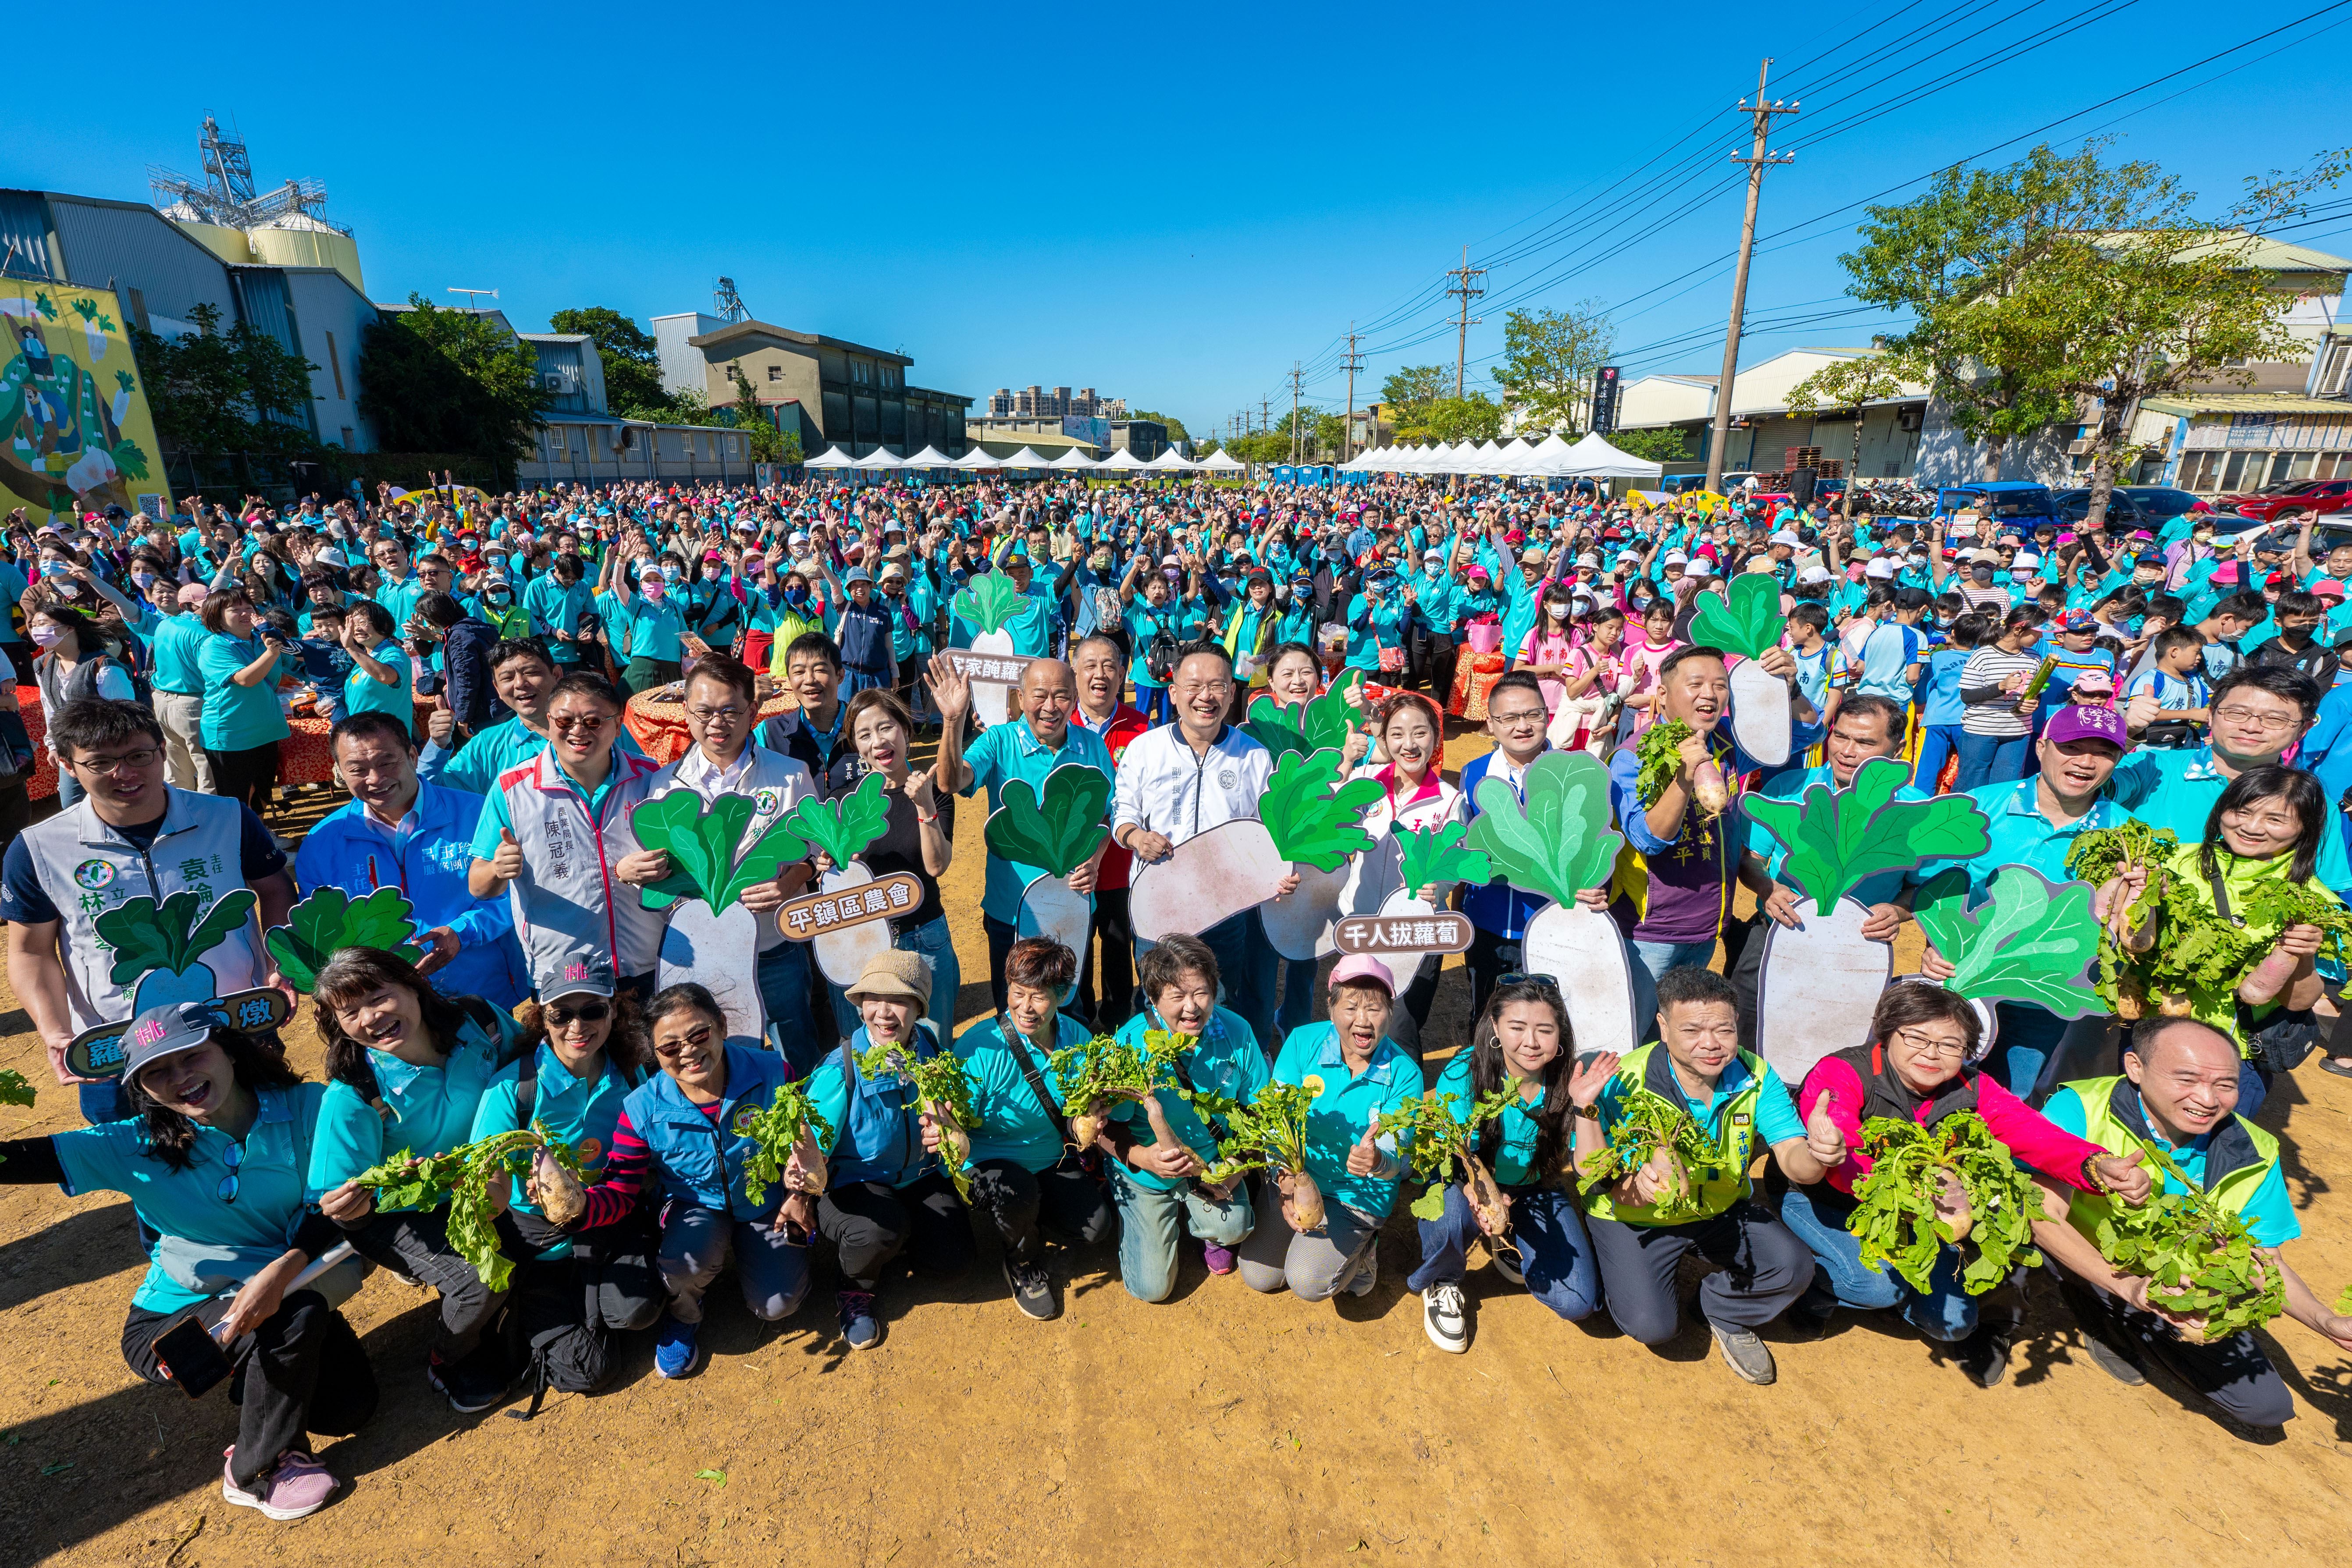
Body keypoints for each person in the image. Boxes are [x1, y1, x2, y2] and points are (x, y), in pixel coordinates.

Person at [0, 1000, 374, 1521]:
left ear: (228, 1049)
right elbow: (17, 1160)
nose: (180, 1077)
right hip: (176, 1320)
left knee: (350, 1408)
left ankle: (257, 1377)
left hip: (287, 1287)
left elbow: (333, 1208)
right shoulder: (136, 1144)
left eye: (192, 1055)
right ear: (142, 1088)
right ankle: (256, 1470)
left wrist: (282, 1270)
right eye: (156, 1071)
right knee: (298, 1313)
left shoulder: (312, 1107)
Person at [1786, 982, 2150, 1387]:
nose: (1931, 1053)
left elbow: (2035, 1135)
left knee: (1954, 1325)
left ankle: (1891, 1286)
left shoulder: (1971, 1088)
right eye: (1916, 1037)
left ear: (1967, 1051)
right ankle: (1817, 1287)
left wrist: (2097, 1165)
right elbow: (1845, 1159)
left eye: (1950, 1044)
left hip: (1918, 1219)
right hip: (1824, 1201)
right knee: (1869, 1285)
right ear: (1886, 1032)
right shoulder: (1843, 1071)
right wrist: (1913, 1184)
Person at [2045, 1016, 2352, 1430]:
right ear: (2135, 1067)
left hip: (2167, 1282)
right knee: (2003, 1225)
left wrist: (2324, 1320)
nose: (2207, 1099)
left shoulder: (2256, 1150)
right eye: (2186, 1078)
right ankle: (2086, 1302)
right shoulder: (2080, 1106)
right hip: (2070, 1251)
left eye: (2225, 1084)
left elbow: (2259, 1257)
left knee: (2266, 1408)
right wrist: (2123, 1286)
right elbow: (2042, 1214)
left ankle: (2119, 1317)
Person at [4, 699, 295, 1127]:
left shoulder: (227, 817)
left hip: (232, 1021)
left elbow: (274, 890)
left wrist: (281, 962)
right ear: (67, 764)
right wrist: (54, 1030)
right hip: (117, 1045)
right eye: (100, 762)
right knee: (152, 1167)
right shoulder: (39, 849)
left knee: (262, 1144)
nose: (124, 773)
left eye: (139, 755)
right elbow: (31, 951)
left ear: (162, 749)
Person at [1571, 966, 1832, 1385]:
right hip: (1634, 1217)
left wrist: (1819, 1155)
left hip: (1718, 1208)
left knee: (1792, 1267)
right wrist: (1637, 1187)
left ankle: (1722, 1308)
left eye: (1723, 1030)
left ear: (1737, 1026)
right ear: (1662, 1026)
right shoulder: (1621, 1080)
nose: (1710, 1044)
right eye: (1691, 1029)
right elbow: (1594, 1176)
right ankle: (1619, 1268)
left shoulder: (1757, 1076)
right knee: (1652, 1326)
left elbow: (1792, 1156)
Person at [308, 948, 529, 1412]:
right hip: (401, 1211)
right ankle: (448, 1358)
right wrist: (351, 1205)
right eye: (350, 1012)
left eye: (380, 997)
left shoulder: (477, 1020)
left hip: (490, 1183)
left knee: (546, 1249)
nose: (371, 1018)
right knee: (481, 1282)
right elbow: (334, 1196)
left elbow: (524, 1065)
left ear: (413, 984)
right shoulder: (354, 1093)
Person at [556, 982, 812, 1379]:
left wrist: (799, 1193)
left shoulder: (774, 1072)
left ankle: (759, 1257)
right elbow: (621, 1189)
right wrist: (578, 1208)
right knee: (684, 1262)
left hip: (765, 1202)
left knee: (778, 1305)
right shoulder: (641, 1108)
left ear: (722, 1026)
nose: (688, 1052)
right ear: (655, 1055)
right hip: (695, 1209)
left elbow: (805, 1143)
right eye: (670, 1047)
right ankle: (684, 1313)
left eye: (699, 1035)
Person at [1914, 703, 2134, 1097]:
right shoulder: (1979, 806)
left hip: (2044, 1000)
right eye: (2072, 746)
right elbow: (1937, 885)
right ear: (2041, 747)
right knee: (1930, 1084)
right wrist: (1934, 945)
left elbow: (2126, 925)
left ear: (2118, 760)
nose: (2086, 762)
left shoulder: (2127, 835)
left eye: (2103, 753)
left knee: (2006, 1098)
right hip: (1963, 982)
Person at [2100, 764, 2339, 1120]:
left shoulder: (2317, 902)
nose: (2252, 827)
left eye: (2275, 819)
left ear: (2305, 826)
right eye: (2241, 811)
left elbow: (2301, 1001)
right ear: (2222, 809)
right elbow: (2124, 935)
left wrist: (2299, 955)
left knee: (2205, 1155)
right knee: (2127, 1134)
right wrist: (2134, 894)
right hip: (2150, 1035)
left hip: (2232, 1057)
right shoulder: (2174, 861)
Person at [464, 965, 658, 1401]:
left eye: (592, 1010)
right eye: (561, 1015)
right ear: (541, 1018)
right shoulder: (514, 1090)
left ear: (614, 1012)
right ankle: (536, 1313)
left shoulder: (629, 1075)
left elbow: (645, 1157)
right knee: (590, 1372)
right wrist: (488, 1201)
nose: (577, 1026)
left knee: (638, 1312)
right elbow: (490, 1177)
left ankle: (595, 1304)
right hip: (542, 1244)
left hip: (608, 1219)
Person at [1605, 643, 1820, 1031]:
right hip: (1650, 932)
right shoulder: (1632, 756)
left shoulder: (1729, 743)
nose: (1709, 694)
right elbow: (1648, 839)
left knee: (1681, 1032)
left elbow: (1808, 732)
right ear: (1662, 695)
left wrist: (1788, 689)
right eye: (1696, 684)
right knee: (1637, 1031)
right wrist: (1685, 778)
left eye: (1720, 685)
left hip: (1707, 926)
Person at [611, 654, 818, 1045]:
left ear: (753, 711)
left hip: (773, 947)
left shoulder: (790, 774)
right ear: (686, 712)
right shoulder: (659, 787)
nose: (716, 723)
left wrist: (791, 881)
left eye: (730, 711)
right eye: (704, 712)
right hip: (699, 953)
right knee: (715, 1055)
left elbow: (813, 855)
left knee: (795, 1044)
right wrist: (628, 869)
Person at [1408, 979, 1602, 1354]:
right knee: (1450, 1214)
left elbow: (1588, 1166)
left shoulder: (1569, 1080)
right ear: (1495, 1027)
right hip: (1464, 1174)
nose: (1531, 1041)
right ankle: (1443, 1278)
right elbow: (1454, 1149)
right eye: (1517, 1027)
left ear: (1559, 1033)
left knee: (1576, 1301)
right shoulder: (1465, 1071)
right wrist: (1476, 1189)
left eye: (1544, 1030)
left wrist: (1584, 1107)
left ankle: (1507, 1237)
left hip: (1534, 1187)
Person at [1112, 644, 1291, 1045]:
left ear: (1232, 692)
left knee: (1219, 1001)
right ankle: (1159, 1082)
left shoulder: (1253, 755)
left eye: (1216, 686)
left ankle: (1219, 1082)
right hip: (1156, 903)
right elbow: (1122, 812)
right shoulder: (1146, 748)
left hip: (1227, 909)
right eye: (1193, 685)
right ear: (1173, 692)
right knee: (1159, 1000)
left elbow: (1268, 833)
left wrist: (1279, 873)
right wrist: (1136, 837)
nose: (1205, 696)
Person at [296, 712, 528, 1009]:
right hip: (382, 1006)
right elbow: (321, 926)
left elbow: (518, 894)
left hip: (485, 994)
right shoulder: (320, 843)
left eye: (387, 762)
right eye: (357, 769)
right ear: (339, 771)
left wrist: (462, 931)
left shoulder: (478, 814)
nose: (376, 779)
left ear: (413, 755)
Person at [804, 950, 975, 1350]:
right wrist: (800, 1175)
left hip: (919, 1176)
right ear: (860, 1006)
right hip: (855, 1184)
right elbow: (810, 1148)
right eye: (872, 1000)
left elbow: (954, 1117)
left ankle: (890, 1245)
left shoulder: (929, 1047)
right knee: (878, 1228)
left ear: (918, 1009)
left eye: (899, 1000)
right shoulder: (840, 1068)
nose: (884, 1013)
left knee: (954, 1262)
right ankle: (854, 1289)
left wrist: (954, 1133)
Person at [931, 653, 1113, 1017]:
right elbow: (951, 781)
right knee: (1015, 1012)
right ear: (1019, 696)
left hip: (1070, 907)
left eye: (1061, 695)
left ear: (1075, 700)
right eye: (1039, 695)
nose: (1050, 706)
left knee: (1068, 1005)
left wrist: (1094, 860)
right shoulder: (999, 741)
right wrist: (953, 720)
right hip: (1009, 911)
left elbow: (1106, 814)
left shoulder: (1091, 746)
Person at [1729, 694, 1914, 1052]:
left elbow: (1926, 888)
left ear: (1898, 748)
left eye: (1864, 742)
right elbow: (1750, 858)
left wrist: (1898, 910)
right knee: (1745, 1031)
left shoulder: (1916, 809)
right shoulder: (1787, 787)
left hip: (1860, 948)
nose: (1846, 750)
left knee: (1837, 1047)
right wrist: (1767, 887)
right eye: (1840, 736)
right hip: (1777, 931)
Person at [1235, 955, 1420, 1304]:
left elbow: (1394, 1158)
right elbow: (1277, 1122)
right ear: (1331, 1007)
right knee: (1260, 1275)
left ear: (1391, 1013)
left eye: (1375, 1009)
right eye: (1351, 1007)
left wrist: (1376, 1160)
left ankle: (1364, 1250)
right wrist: (1287, 1183)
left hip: (1356, 1197)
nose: (1363, 1022)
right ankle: (1303, 1233)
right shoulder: (1303, 1043)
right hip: (1299, 1177)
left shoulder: (1404, 1073)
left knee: (1306, 1281)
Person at [469, 672, 666, 998]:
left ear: (618, 726)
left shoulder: (650, 778)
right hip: (564, 972)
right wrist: (496, 869)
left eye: (593, 721)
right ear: (549, 721)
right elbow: (479, 885)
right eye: (565, 721)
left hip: (650, 960)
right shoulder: (512, 789)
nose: (578, 731)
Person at [954, 937, 1115, 1319]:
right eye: (1017, 993)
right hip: (989, 1161)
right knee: (1018, 1192)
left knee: (1096, 1229)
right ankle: (1021, 1263)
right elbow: (957, 1123)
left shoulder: (1079, 1040)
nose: (1025, 1008)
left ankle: (1028, 1212)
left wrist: (1091, 1117)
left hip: (1049, 1155)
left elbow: (1079, 1114)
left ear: (1062, 994)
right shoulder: (979, 1049)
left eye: (1039, 997)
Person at [1099, 933, 1265, 1299]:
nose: (1192, 1007)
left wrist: (1236, 1167)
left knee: (1234, 1227)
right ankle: (1145, 1210)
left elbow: (1259, 1111)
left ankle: (1205, 1226)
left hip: (1209, 1165)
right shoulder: (1129, 1045)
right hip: (1145, 1170)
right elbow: (1104, 1126)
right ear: (1154, 999)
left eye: (1201, 992)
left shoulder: (1236, 1032)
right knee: (1152, 1288)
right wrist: (1142, 1157)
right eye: (1177, 996)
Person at [2106, 665, 2352, 901]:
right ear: (2211, 715)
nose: (2251, 727)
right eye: (2237, 713)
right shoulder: (2152, 766)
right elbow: (2083, 792)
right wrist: (2125, 736)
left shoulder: (2312, 801)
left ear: (2304, 730)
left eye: (2275, 719)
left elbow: (2325, 899)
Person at [811, 686, 954, 1048]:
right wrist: (827, 865)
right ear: (856, 747)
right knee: (862, 1053)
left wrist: (924, 807)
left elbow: (936, 866)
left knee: (933, 1051)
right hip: (858, 942)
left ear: (905, 730)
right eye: (864, 734)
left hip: (922, 938)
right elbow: (828, 877)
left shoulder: (932, 790)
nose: (877, 741)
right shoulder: (843, 801)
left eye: (885, 727)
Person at [1348, 692, 1464, 1042]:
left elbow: (1455, 863)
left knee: (1401, 1028)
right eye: (1397, 734)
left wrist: (1440, 886)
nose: (1409, 744)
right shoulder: (1363, 782)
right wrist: (1343, 762)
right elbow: (1327, 824)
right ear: (1381, 739)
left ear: (1436, 736)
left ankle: (1404, 1096)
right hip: (1362, 923)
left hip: (1415, 929)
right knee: (1359, 1023)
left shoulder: (1450, 800)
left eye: (1420, 733)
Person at [1071, 632, 1151, 1027]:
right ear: (1074, 672)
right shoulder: (1056, 723)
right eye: (1090, 665)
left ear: (1123, 674)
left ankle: (1119, 1020)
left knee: (1119, 947)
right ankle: (1081, 1020)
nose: (1099, 674)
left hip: (1122, 865)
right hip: (1070, 867)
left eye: (1108, 666)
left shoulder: (1141, 727)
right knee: (1075, 948)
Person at [194, 587, 293, 821]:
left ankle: (261, 836)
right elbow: (245, 679)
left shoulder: (262, 639)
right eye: (235, 609)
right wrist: (271, 653)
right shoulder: (214, 646)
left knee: (262, 791)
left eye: (248, 608)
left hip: (266, 731)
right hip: (232, 735)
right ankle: (243, 845)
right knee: (237, 798)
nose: (244, 613)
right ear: (217, 617)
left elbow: (280, 668)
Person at [27, 603, 136, 809]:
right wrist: (53, 744)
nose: (36, 631)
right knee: (72, 805)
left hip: (106, 751)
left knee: (114, 804)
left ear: (70, 628)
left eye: (43, 624)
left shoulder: (102, 666)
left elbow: (126, 715)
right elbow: (50, 707)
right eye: (33, 626)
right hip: (70, 750)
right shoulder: (44, 664)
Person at [1953, 608, 2044, 789]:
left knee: (2006, 786)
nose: (2040, 637)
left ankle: (1996, 819)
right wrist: (2000, 687)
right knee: (1972, 781)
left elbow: (2036, 693)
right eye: (2037, 632)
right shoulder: (1982, 656)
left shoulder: (2034, 658)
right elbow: (1967, 696)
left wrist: (2034, 703)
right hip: (1981, 731)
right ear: (2018, 630)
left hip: (2018, 732)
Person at [149, 582, 216, 793]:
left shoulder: (164, 625)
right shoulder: (204, 633)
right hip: (193, 704)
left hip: (162, 702)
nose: (212, 608)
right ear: (188, 606)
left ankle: (181, 818)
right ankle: (210, 822)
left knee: (176, 770)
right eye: (206, 604)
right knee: (208, 768)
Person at [338, 600, 413, 736]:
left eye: (363, 623)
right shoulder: (365, 656)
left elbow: (386, 676)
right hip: (364, 735)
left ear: (383, 625)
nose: (357, 629)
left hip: (386, 739)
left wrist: (351, 648)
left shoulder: (393, 652)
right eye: (353, 624)